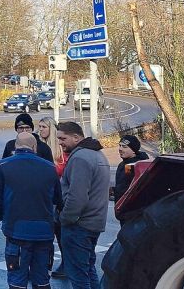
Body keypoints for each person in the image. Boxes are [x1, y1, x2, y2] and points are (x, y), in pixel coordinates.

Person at [0, 132, 63, 289]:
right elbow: (58, 200)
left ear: (15, 146)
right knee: (42, 279)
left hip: (17, 230)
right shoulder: (50, 168)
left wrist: (4, 217)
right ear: (35, 146)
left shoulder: (3, 166)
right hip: (44, 232)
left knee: (17, 279)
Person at [56, 121, 110, 289]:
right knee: (87, 270)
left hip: (78, 225)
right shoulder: (98, 155)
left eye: (63, 138)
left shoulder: (80, 158)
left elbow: (77, 197)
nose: (60, 142)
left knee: (78, 275)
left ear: (76, 137)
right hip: (94, 223)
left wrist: (64, 219)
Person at [38, 116, 68, 278]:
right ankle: (43, 265)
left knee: (59, 232)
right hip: (42, 196)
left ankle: (65, 262)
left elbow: (61, 171)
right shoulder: (38, 146)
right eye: (40, 126)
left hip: (55, 196)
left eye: (44, 126)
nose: (41, 129)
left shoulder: (59, 150)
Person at [112, 135, 149, 201]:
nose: (120, 149)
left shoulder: (131, 165)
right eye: (120, 145)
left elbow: (127, 188)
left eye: (124, 147)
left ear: (133, 150)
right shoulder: (125, 163)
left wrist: (114, 191)